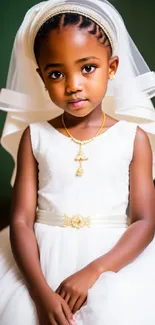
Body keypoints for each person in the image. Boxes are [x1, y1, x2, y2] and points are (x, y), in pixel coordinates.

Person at [0, 0, 155, 324]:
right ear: (42, 77)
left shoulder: (134, 137)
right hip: (40, 258)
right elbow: (20, 222)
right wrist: (41, 293)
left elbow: (144, 221)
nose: (73, 85)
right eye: (56, 73)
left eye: (87, 68)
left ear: (111, 68)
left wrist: (95, 271)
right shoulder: (35, 136)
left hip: (112, 257)